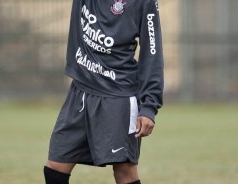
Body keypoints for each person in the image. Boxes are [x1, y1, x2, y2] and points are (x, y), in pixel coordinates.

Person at [44, 0, 164, 183]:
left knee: (125, 171)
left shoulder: (144, 3)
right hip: (81, 91)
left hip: (118, 97)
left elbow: (152, 54)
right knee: (55, 167)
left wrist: (149, 106)